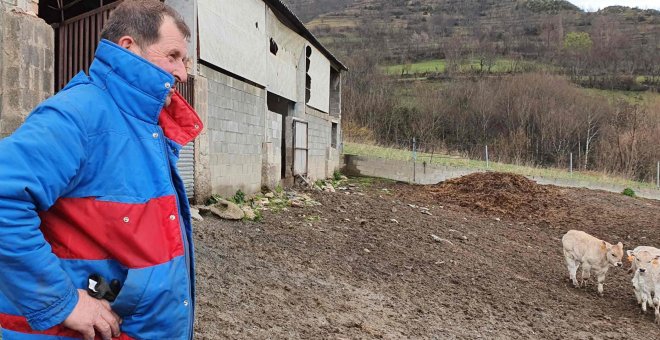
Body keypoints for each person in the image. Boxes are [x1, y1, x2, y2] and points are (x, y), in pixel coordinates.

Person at [0, 1, 202, 339]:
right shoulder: (79, 115)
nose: (182, 73)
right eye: (173, 56)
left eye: (184, 60)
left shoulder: (145, 125)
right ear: (128, 47)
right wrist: (61, 301)